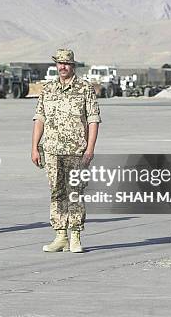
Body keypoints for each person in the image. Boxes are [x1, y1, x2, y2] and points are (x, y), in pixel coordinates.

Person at [31, 49, 100, 253]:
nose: (63, 67)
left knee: (75, 193)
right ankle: (60, 235)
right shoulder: (48, 89)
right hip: (52, 150)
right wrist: (34, 146)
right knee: (57, 192)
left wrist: (90, 148)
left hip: (76, 150)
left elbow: (93, 119)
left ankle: (76, 235)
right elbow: (40, 118)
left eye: (67, 63)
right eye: (59, 63)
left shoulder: (85, 89)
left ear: (73, 66)